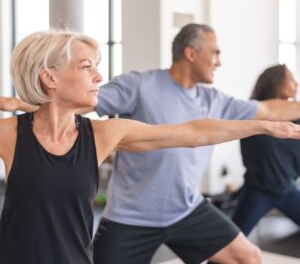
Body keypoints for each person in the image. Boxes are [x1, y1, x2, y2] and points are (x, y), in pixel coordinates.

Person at [0, 30, 296, 264]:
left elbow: (193, 132)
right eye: (87, 66)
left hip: (91, 252)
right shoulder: (10, 133)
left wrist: (263, 126)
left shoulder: (104, 134)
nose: (99, 76)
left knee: (247, 256)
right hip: (29, 254)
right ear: (49, 77)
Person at [91, 24, 300, 264]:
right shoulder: (139, 85)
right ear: (191, 54)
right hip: (130, 217)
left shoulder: (214, 99)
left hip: (187, 210)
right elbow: (85, 101)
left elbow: (268, 108)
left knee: (247, 257)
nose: (219, 62)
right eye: (215, 53)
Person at [232, 64, 300, 236]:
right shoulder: (252, 111)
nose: (296, 83)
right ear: (277, 82)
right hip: (257, 191)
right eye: (291, 79)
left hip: (287, 189)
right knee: (230, 246)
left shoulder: (297, 117)